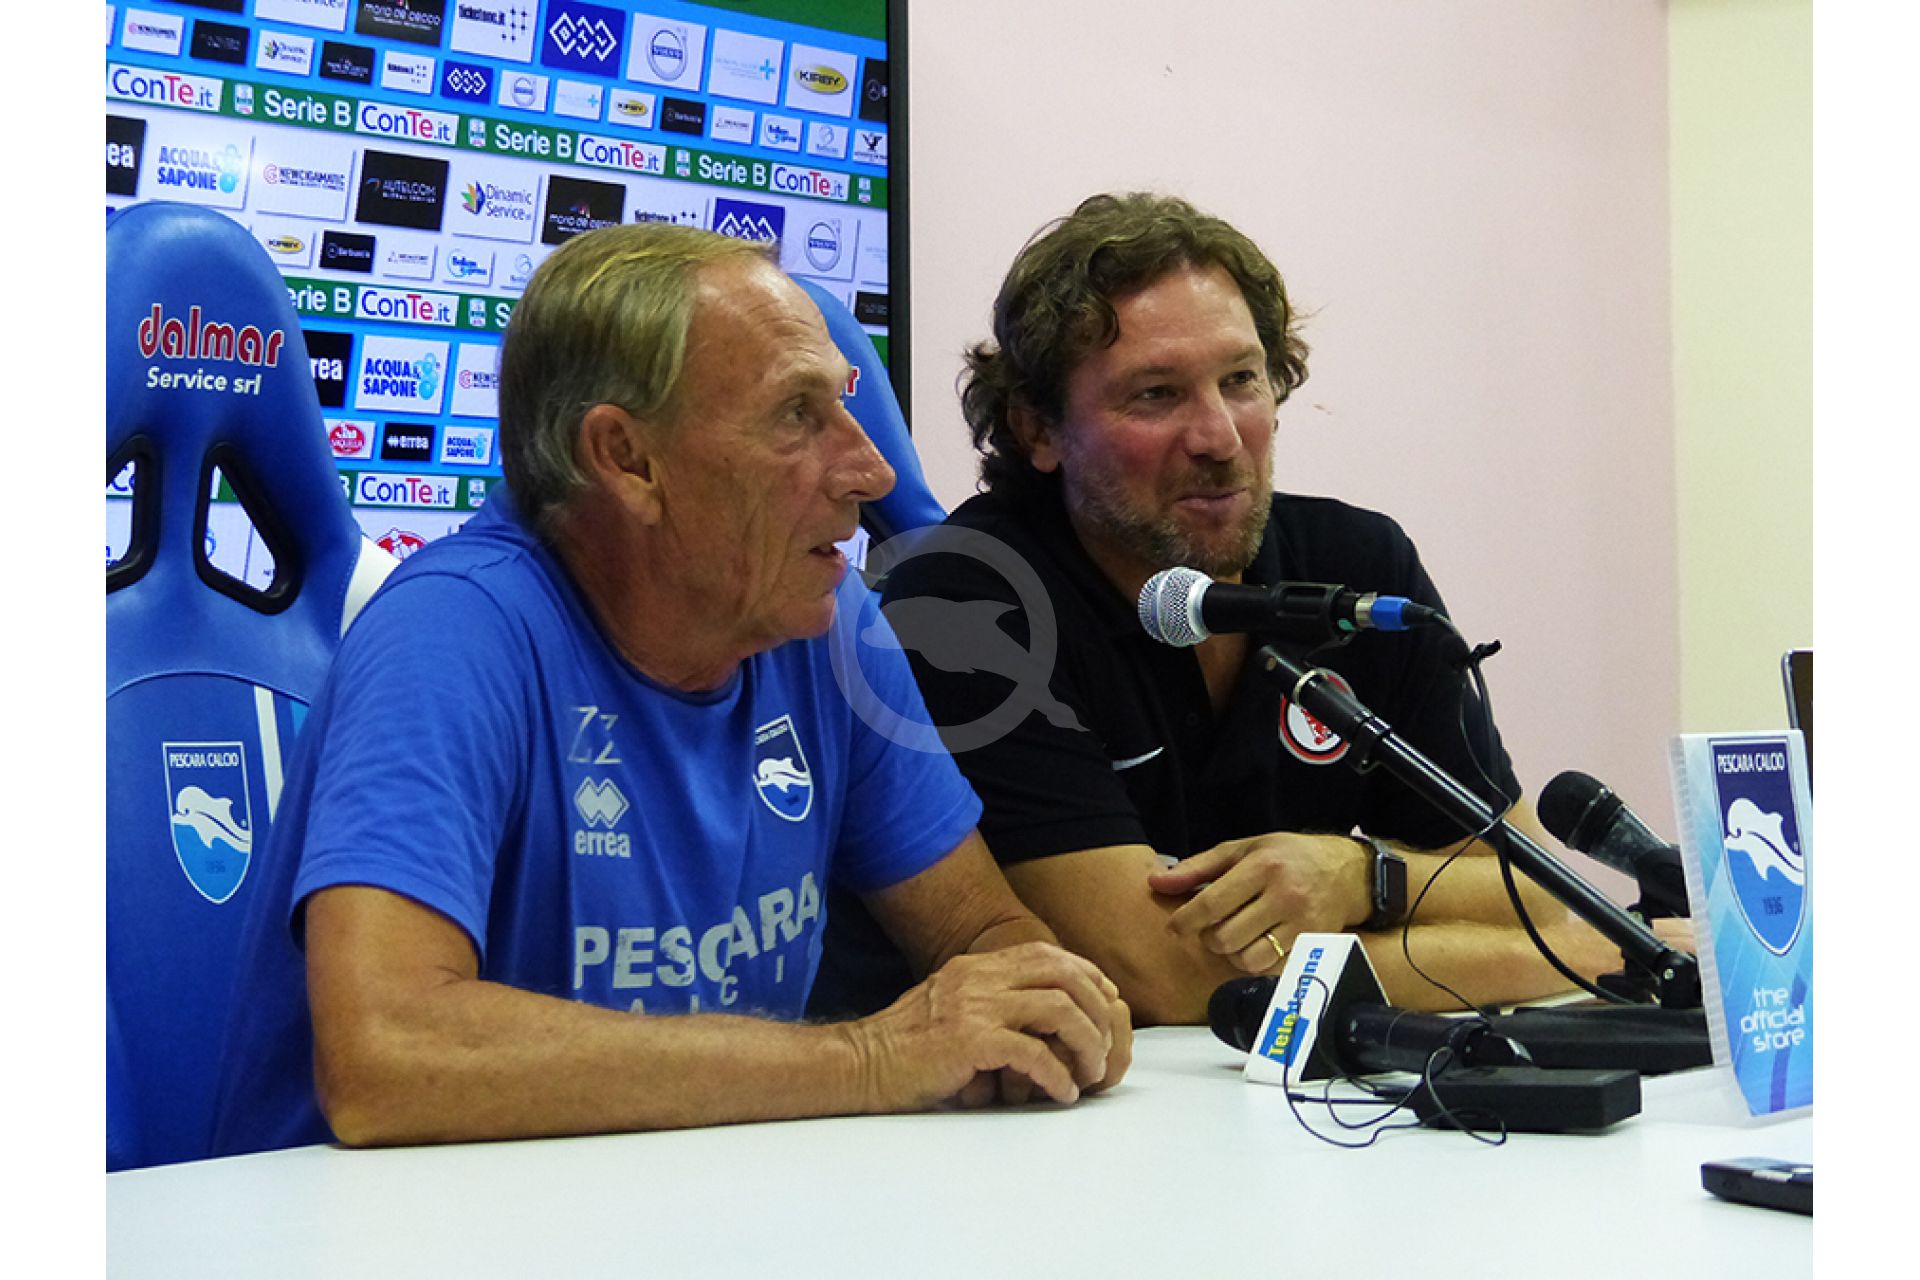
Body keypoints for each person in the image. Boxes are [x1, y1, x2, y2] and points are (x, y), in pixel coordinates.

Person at [210, 224, 1129, 1156]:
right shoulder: (449, 632)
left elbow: (975, 925)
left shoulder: (822, 619)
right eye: (796, 415)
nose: (873, 470)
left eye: (843, 404)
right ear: (627, 459)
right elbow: (388, 1057)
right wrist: (867, 1060)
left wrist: (1045, 1003)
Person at [810, 192, 1623, 1025]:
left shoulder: (1357, 569)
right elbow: (1161, 973)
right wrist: (1597, 956)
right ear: (1038, 430)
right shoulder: (966, 597)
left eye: (1241, 381)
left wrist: (1364, 877)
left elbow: (1526, 886)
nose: (1220, 437)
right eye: (1157, 394)